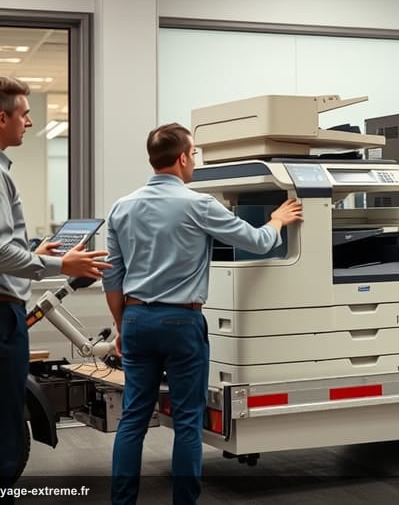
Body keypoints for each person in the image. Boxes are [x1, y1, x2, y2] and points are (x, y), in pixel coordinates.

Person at [104, 123, 303, 505]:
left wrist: (121, 325)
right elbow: (259, 242)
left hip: (136, 320)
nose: (193, 160)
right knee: (187, 423)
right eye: (193, 154)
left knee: (132, 420)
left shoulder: (122, 206)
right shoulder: (199, 204)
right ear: (181, 158)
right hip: (182, 322)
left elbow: (112, 276)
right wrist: (278, 218)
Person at [0, 75, 111, 501]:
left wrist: (33, 248)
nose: (29, 122)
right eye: (24, 114)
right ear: (2, 118)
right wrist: (60, 262)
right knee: (0, 439)